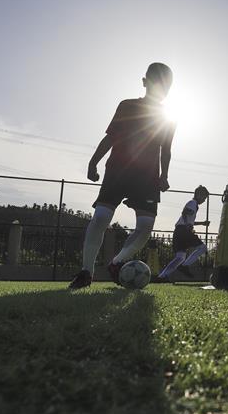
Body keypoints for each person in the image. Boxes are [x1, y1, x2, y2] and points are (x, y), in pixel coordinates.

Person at [69, 62, 175, 289]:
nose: (160, 88)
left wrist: (164, 175)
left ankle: (116, 263)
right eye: (156, 82)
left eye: (165, 86)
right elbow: (111, 137)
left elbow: (165, 150)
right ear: (145, 82)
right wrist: (93, 162)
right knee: (100, 218)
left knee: (145, 226)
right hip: (118, 170)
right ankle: (86, 272)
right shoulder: (126, 106)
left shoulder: (169, 118)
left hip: (147, 177)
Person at [154, 186, 211, 282]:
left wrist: (201, 223)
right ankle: (184, 266)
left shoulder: (193, 204)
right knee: (203, 248)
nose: (204, 200)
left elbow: (188, 218)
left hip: (178, 232)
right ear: (199, 194)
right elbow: (184, 213)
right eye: (204, 198)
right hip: (184, 231)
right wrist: (188, 225)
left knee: (180, 257)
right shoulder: (193, 203)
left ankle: (161, 277)